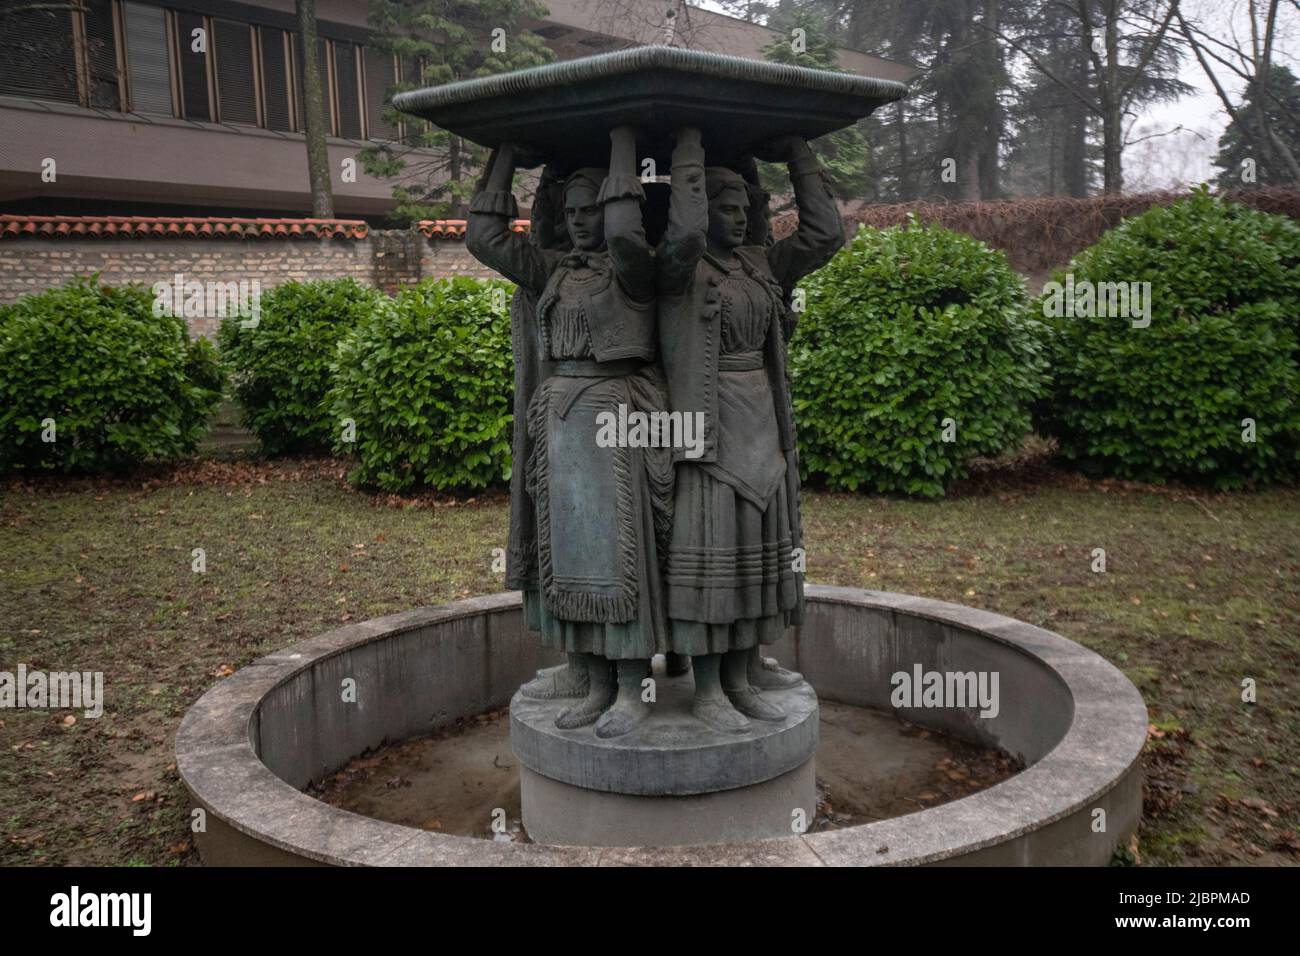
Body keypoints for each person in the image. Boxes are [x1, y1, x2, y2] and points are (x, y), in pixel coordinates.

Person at [466, 128, 672, 738]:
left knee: (623, 551)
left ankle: (633, 684)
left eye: (594, 210)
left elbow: (627, 231)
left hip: (617, 414)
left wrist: (618, 143)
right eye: (574, 212)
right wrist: (502, 152)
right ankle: (592, 675)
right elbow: (484, 238)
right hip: (559, 420)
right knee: (571, 548)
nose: (584, 222)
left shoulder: (637, 268)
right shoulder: (553, 267)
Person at [657, 129, 845, 733]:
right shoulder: (680, 266)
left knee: (755, 555)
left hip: (763, 424)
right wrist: (689, 146)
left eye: (744, 209)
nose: (737, 219)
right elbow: (683, 231)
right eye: (724, 208)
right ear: (702, 210)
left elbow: (824, 235)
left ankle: (742, 674)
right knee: (712, 556)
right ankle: (709, 687)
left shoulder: (761, 263)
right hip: (705, 431)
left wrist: (797, 153)